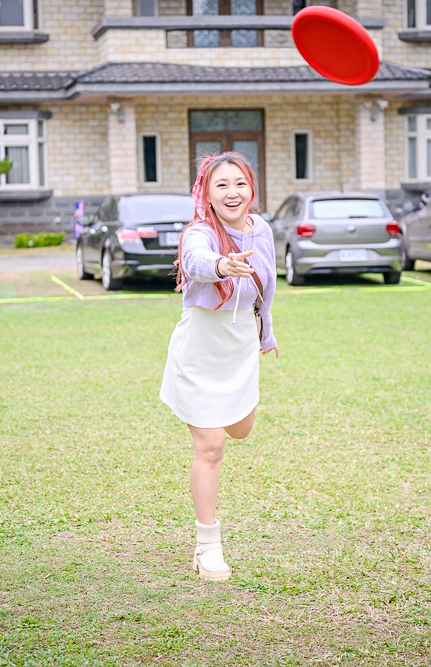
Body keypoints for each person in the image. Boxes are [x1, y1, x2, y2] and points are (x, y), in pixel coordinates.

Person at [160, 151, 280, 581]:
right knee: (211, 447)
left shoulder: (262, 230)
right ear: (206, 194)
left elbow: (267, 285)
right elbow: (194, 261)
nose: (232, 192)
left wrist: (267, 336)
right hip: (199, 351)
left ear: (252, 189)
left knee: (241, 429)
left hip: (240, 348)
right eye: (221, 185)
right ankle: (207, 545)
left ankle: (224, 414)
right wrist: (220, 265)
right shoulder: (200, 232)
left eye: (240, 183)